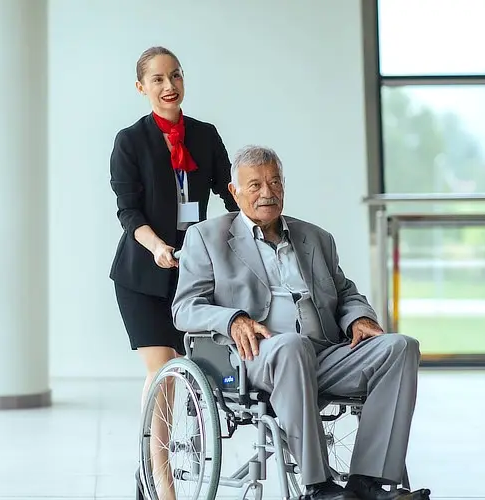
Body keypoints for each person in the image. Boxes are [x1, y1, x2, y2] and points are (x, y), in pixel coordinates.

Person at [171, 145, 432, 500]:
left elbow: (346, 292)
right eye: (255, 185)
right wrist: (232, 319)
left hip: (323, 351)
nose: (268, 192)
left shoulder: (316, 238)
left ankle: (367, 482)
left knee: (400, 347)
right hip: (257, 356)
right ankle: (318, 486)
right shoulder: (207, 237)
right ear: (234, 192)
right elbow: (185, 308)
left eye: (275, 182)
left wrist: (358, 317)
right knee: (292, 347)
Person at [108, 46, 239, 499]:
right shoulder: (130, 141)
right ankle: (161, 483)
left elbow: (230, 194)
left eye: (176, 76)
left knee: (192, 374)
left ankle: (156, 463)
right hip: (142, 274)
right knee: (163, 369)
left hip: (192, 275)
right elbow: (128, 213)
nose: (170, 86)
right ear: (142, 87)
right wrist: (159, 246)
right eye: (159, 79)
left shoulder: (204, 135)